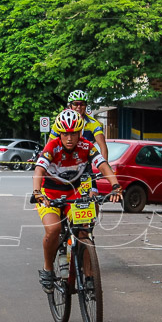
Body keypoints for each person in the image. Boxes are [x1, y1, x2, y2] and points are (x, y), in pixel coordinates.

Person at [33, 109, 121, 292]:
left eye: (73, 133)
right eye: (65, 133)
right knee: (54, 229)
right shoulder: (52, 147)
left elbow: (103, 166)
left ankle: (89, 275)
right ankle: (48, 269)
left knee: (83, 232)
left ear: (80, 132)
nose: (69, 138)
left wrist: (115, 186)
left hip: (75, 192)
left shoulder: (86, 146)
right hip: (50, 193)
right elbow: (39, 171)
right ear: (59, 133)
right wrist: (37, 192)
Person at [49, 90, 108, 160]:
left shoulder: (93, 123)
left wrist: (105, 167)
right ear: (70, 106)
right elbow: (49, 146)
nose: (79, 107)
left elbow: (103, 147)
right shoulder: (60, 122)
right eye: (75, 104)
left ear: (86, 106)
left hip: (84, 162)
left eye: (82, 104)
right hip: (63, 161)